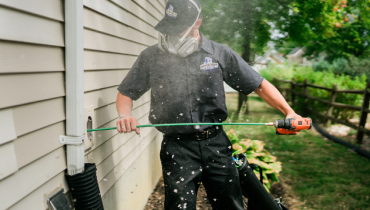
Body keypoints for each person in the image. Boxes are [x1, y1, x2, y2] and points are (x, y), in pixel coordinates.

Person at [116, 0, 301, 209]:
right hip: (177, 148)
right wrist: (125, 115)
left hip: (216, 144)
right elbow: (126, 92)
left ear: (198, 23)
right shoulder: (151, 56)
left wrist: (289, 111)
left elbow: (259, 85)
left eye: (179, 29)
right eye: (170, 28)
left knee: (230, 205)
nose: (173, 35)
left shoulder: (219, 53)